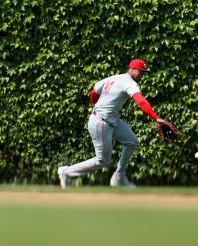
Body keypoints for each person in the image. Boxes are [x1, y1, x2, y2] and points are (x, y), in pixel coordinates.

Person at [57, 59, 167, 189]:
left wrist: (99, 107)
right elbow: (141, 101)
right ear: (132, 69)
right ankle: (67, 171)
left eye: (143, 73)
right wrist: (155, 117)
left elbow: (94, 93)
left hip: (110, 120)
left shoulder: (113, 78)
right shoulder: (130, 83)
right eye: (140, 72)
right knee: (103, 160)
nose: (141, 76)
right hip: (101, 123)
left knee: (132, 142)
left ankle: (119, 176)